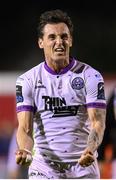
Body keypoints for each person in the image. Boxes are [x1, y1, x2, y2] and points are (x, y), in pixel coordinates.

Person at [15, 9, 106, 179]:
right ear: (40, 42)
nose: (59, 42)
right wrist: (25, 150)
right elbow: (25, 128)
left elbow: (98, 123)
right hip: (44, 169)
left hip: (83, 166)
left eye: (64, 36)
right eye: (52, 37)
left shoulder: (90, 76)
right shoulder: (27, 80)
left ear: (70, 40)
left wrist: (90, 149)